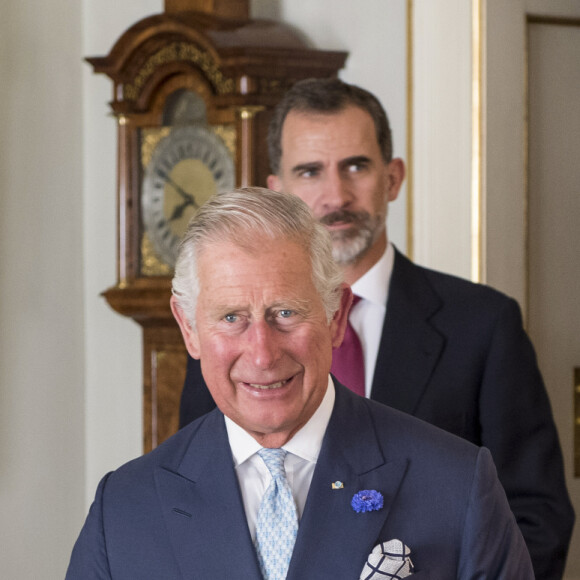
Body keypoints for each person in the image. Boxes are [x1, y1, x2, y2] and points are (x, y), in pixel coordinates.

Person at [179, 79, 574, 579]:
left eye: (356, 166)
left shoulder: (484, 325)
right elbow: (197, 497)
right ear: (276, 190)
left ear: (392, 178)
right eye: (310, 171)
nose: (335, 195)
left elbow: (536, 517)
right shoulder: (231, 343)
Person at [67, 188, 534, 578]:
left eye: (285, 313)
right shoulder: (123, 510)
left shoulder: (456, 485)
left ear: (335, 315)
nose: (263, 353)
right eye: (231, 318)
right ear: (188, 327)